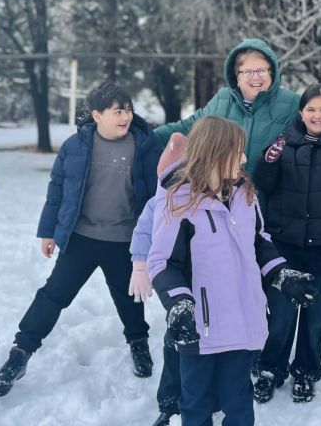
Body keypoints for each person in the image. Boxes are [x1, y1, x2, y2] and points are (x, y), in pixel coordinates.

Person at [0, 82, 162, 396]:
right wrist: (48, 231)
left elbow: (156, 195)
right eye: (117, 111)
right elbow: (57, 188)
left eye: (128, 110)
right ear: (97, 115)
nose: (125, 116)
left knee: (129, 298)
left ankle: (139, 342)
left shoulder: (145, 145)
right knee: (53, 294)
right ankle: (20, 352)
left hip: (124, 240)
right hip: (81, 238)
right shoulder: (76, 146)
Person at [148, 116, 318, 426]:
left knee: (238, 404)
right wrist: (179, 303)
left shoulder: (245, 193)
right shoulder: (179, 201)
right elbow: (163, 263)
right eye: (237, 152)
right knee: (196, 405)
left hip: (242, 322)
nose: (243, 159)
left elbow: (259, 241)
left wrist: (281, 274)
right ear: (214, 153)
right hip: (199, 327)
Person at [252, 83, 321, 403]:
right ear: (301, 113)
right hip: (285, 243)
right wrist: (269, 161)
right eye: (311, 109)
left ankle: (305, 372)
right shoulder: (284, 141)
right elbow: (263, 184)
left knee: (315, 318)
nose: (317, 115)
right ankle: (270, 369)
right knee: (281, 314)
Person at [154, 38, 299, 177]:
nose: (255, 77)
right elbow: (189, 127)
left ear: (272, 74)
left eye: (262, 70)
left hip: (272, 193)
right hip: (229, 192)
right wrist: (146, 135)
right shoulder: (223, 99)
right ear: (237, 77)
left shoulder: (292, 103)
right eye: (247, 72)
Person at [128, 133, 189, 426]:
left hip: (214, 282)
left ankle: (210, 397)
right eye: (174, 174)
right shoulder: (157, 203)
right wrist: (139, 266)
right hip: (175, 283)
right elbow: (142, 232)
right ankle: (170, 403)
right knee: (176, 341)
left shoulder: (211, 197)